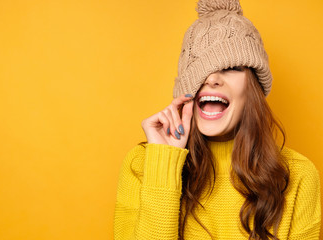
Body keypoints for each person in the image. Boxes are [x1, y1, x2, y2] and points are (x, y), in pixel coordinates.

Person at [114, 0, 321, 239]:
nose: (211, 79)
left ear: (252, 88)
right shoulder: (141, 165)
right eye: (200, 68)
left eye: (231, 67)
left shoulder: (299, 176)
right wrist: (164, 164)